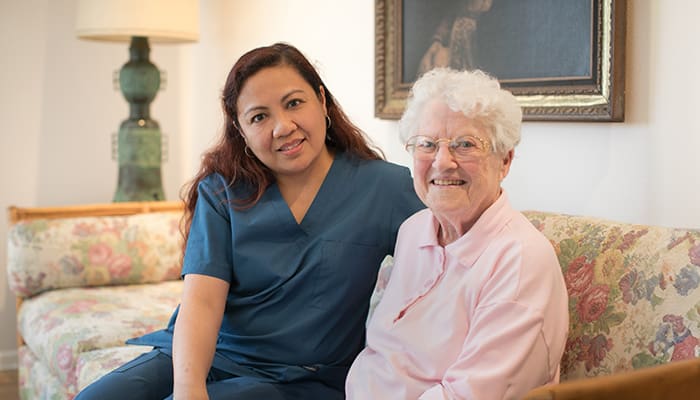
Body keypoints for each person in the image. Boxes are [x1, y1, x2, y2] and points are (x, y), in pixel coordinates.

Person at [76, 43, 425, 400]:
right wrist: (188, 388)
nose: (283, 127)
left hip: (297, 380)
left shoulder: (386, 188)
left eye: (294, 103)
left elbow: (452, 256)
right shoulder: (222, 190)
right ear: (240, 130)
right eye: (259, 117)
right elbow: (202, 301)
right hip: (213, 353)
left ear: (322, 100)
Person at [345, 68, 569, 400]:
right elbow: (381, 354)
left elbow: (471, 395)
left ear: (504, 161)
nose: (442, 161)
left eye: (465, 144)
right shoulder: (414, 230)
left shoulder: (520, 261)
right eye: (427, 144)